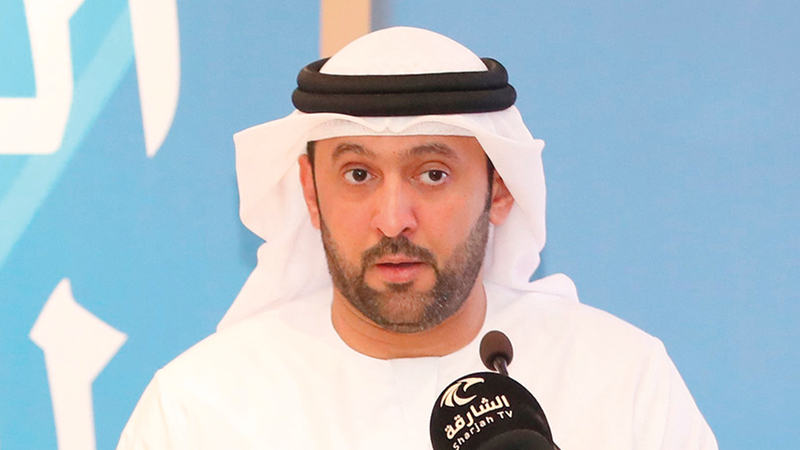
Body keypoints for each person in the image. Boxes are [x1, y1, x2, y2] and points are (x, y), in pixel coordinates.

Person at [117, 27, 717, 449]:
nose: (393, 219)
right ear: (310, 192)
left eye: (432, 174)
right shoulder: (202, 411)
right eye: (358, 175)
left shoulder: (622, 383)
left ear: (500, 190)